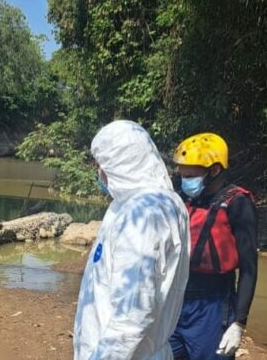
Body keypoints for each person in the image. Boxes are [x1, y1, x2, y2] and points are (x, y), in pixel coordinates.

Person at [73, 120, 190, 360]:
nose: (99, 172)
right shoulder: (159, 203)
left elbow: (134, 312)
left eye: (102, 164)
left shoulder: (143, 214)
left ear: (119, 162)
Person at [169, 133, 258, 360]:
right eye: (182, 173)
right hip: (177, 299)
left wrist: (239, 322)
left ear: (215, 170)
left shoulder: (237, 203)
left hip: (214, 304)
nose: (184, 179)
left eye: (191, 174)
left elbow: (249, 269)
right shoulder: (182, 200)